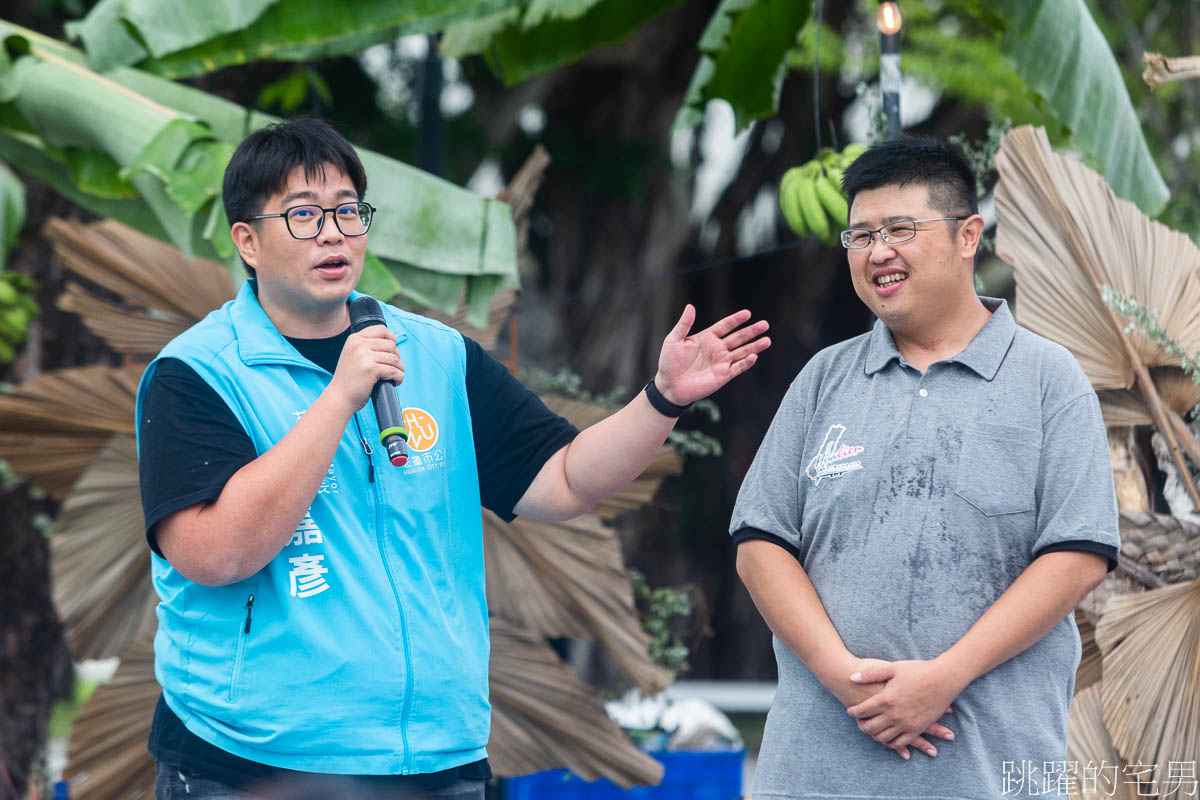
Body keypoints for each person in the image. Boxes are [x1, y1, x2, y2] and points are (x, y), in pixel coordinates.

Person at [136, 117, 770, 799]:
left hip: (436, 757)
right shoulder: (197, 375)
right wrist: (338, 398)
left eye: (349, 211)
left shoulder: (433, 355)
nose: (332, 233)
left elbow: (562, 480)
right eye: (302, 215)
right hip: (255, 765)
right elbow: (215, 554)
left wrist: (663, 398)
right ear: (247, 241)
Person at [731, 136, 1119, 799]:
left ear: (969, 235)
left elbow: (1078, 554)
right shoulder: (825, 378)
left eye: (900, 230)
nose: (878, 251)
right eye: (860, 235)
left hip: (987, 776)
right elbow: (760, 544)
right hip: (812, 776)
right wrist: (847, 678)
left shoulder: (1048, 380)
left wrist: (943, 678)